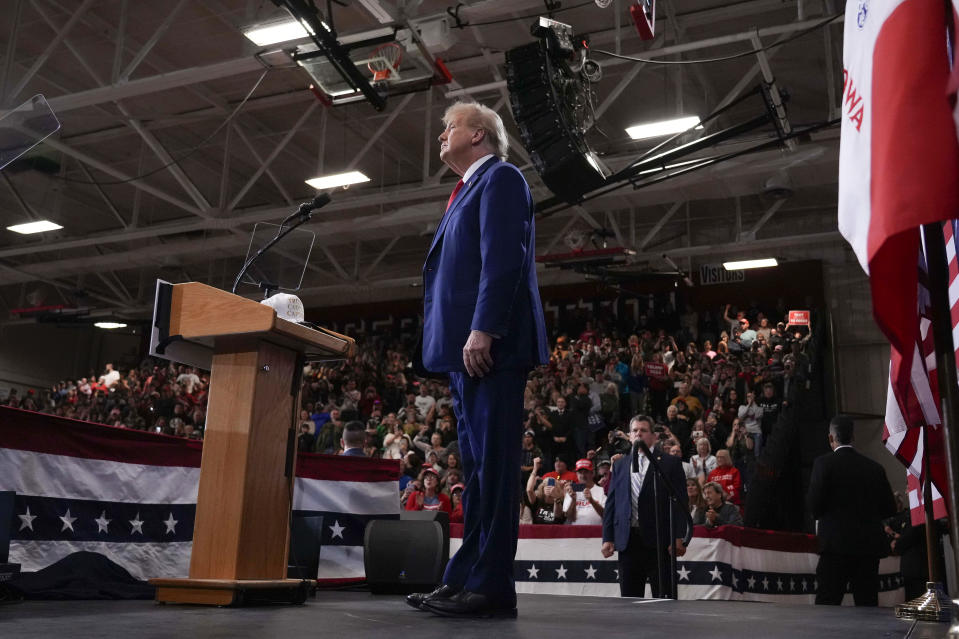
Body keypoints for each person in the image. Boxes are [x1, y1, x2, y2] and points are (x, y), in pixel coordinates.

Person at [410, 101, 549, 619]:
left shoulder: (502, 179)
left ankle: (491, 586)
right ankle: (464, 576)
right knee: (478, 472)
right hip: (463, 354)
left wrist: (484, 328)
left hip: (490, 347)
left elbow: (503, 258)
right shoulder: (465, 191)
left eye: (450, 127)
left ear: (479, 135)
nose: (441, 135)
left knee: (494, 469)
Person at [806, 415, 896, 606]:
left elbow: (814, 507)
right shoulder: (875, 468)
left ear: (831, 438)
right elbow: (889, 508)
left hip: (834, 547)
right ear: (853, 437)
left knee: (828, 607)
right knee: (868, 607)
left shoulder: (823, 464)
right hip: (868, 549)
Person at [601, 415, 687, 598]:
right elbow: (612, 503)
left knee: (664, 598)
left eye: (643, 430)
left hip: (660, 541)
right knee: (629, 599)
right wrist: (608, 537)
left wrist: (678, 536)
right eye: (634, 430)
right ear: (629, 436)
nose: (638, 433)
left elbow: (680, 502)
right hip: (628, 540)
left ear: (654, 436)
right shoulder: (620, 464)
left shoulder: (670, 463)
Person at [562, 459, 606, 525]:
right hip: (577, 532)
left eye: (586, 472)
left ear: (592, 473)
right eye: (580, 472)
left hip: (597, 532)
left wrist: (592, 501)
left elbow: (606, 515)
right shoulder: (571, 490)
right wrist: (573, 500)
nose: (583, 475)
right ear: (576, 474)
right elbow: (570, 518)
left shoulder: (602, 490)